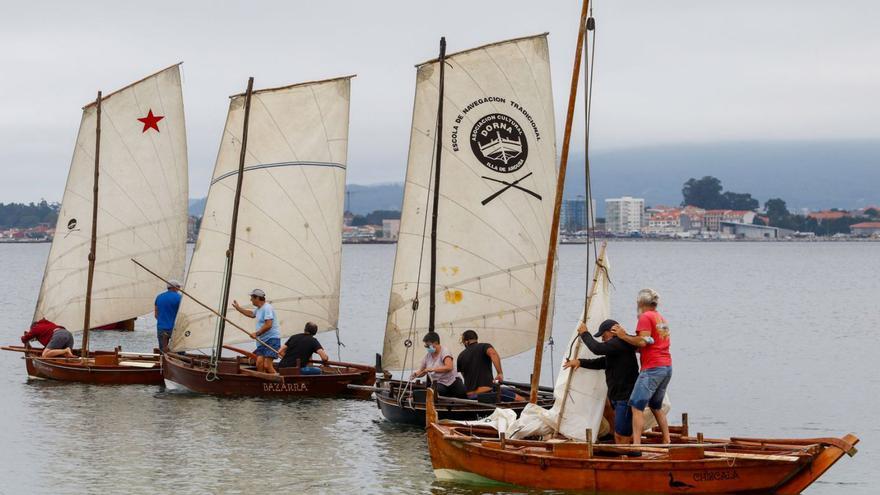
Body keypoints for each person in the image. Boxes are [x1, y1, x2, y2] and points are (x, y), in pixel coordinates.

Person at [611, 288, 672, 445]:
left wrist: (623, 336)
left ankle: (636, 445)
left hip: (652, 368)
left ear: (640, 303)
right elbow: (649, 344)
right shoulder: (661, 318)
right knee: (655, 406)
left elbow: (643, 341)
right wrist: (630, 342)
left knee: (636, 406)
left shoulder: (645, 317)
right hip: (666, 367)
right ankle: (667, 440)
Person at [563, 318, 639, 444]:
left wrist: (584, 333)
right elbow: (603, 362)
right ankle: (623, 454)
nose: (602, 339)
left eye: (603, 336)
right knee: (620, 430)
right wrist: (580, 362)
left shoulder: (619, 342)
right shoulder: (616, 348)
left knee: (622, 432)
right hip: (618, 395)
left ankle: (625, 457)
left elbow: (597, 349)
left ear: (612, 331)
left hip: (624, 397)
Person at [457, 329, 523, 402]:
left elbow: (464, 375)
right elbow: (493, 354)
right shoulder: (484, 346)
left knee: (500, 389)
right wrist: (499, 373)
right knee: (522, 400)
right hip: (487, 393)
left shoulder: (460, 356)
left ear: (466, 342)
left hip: (471, 396)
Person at [232, 288, 281, 375]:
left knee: (267, 365)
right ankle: (263, 383)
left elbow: (268, 324)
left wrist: (257, 333)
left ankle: (280, 382)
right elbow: (251, 314)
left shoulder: (267, 307)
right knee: (259, 364)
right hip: (262, 341)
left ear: (257, 298)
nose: (251, 300)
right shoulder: (259, 309)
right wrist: (239, 308)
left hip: (271, 340)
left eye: (252, 298)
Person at [411, 331, 466, 398]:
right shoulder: (427, 357)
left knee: (463, 395)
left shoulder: (445, 351)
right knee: (433, 395)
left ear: (436, 343)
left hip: (453, 382)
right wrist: (415, 375)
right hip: (439, 383)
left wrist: (432, 369)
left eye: (428, 346)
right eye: (426, 346)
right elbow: (422, 371)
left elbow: (449, 367)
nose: (427, 348)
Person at [154, 279, 182, 352]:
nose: (179, 289)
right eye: (178, 287)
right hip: (174, 329)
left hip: (161, 328)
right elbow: (182, 315)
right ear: (174, 287)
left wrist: (163, 321)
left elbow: (156, 315)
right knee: (179, 350)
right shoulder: (179, 298)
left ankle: (163, 362)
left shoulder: (159, 297)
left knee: (163, 351)